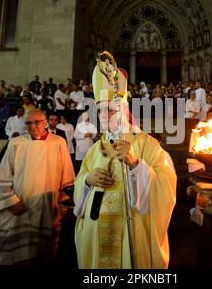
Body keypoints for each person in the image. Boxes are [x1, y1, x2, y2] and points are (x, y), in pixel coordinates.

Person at [73, 53, 177, 269]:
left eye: (110, 110)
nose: (103, 116)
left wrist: (135, 165)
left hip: (132, 236)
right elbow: (80, 181)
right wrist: (87, 180)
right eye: (99, 111)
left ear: (123, 110)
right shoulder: (94, 150)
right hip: (96, 237)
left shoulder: (147, 145)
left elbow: (166, 187)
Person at [0, 109, 75, 266]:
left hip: (48, 205)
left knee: (43, 255)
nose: (32, 125)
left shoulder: (58, 142)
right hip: (20, 205)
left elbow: (67, 175)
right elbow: (3, 175)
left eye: (37, 122)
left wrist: (64, 203)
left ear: (45, 123)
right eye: (28, 122)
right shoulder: (16, 143)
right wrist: (11, 201)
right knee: (18, 256)